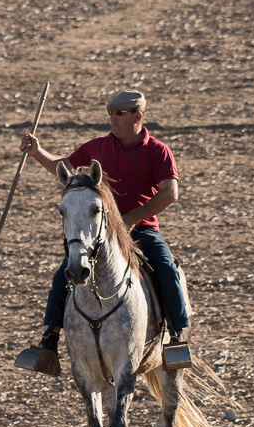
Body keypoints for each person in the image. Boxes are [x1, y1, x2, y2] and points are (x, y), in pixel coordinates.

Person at [18, 89, 189, 372]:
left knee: (166, 267)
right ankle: (49, 341)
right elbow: (65, 167)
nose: (113, 118)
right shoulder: (96, 146)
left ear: (138, 116)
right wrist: (37, 152)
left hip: (140, 230)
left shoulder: (158, 151)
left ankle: (178, 337)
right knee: (63, 274)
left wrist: (131, 218)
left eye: (119, 113)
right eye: (110, 113)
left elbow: (170, 194)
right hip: (97, 235)